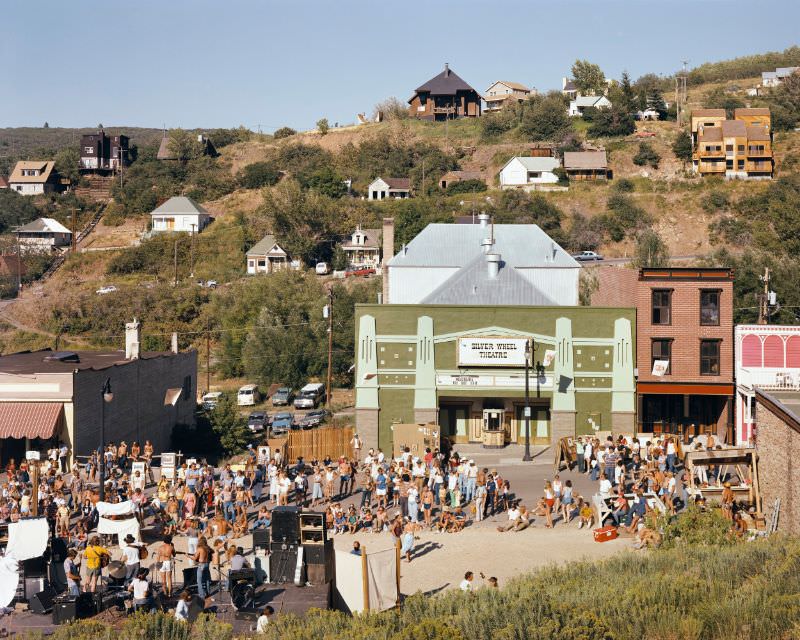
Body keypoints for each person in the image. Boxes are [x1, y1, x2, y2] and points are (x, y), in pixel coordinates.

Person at [193, 536, 212, 601]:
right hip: (207, 564)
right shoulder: (208, 548)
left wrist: (188, 556)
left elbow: (195, 558)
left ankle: (202, 595)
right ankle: (208, 593)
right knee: (207, 579)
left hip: (201, 565)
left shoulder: (200, 548)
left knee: (199, 581)